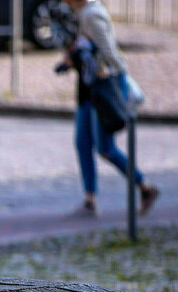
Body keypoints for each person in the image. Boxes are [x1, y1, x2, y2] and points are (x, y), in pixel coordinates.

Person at [61, 0, 159, 216]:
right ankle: (89, 200)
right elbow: (91, 49)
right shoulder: (84, 13)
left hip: (102, 89)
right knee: (82, 142)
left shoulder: (90, 14)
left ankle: (145, 187)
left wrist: (118, 82)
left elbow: (109, 53)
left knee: (105, 148)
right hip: (88, 89)